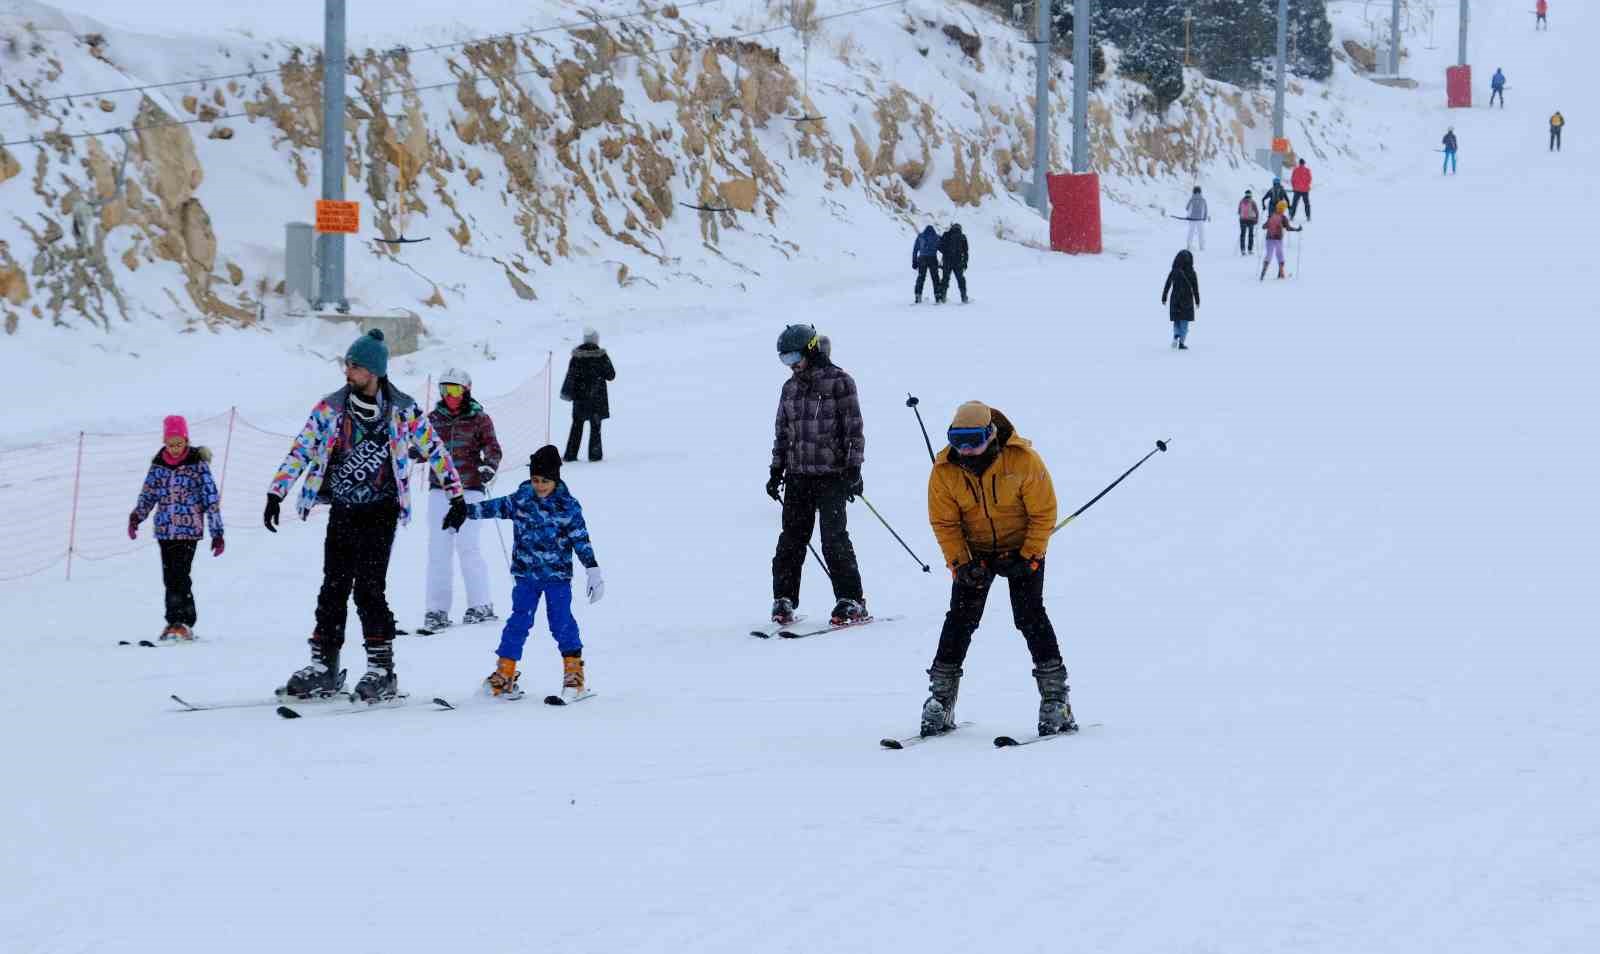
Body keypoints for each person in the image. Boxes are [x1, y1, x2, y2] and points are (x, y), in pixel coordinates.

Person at [265, 329, 465, 703]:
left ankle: (381, 668)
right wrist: (277, 491)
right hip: (343, 509)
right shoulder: (331, 408)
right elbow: (301, 448)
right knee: (333, 587)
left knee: (369, 589)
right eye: (347, 364)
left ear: (372, 371)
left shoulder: (402, 409)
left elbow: (434, 449)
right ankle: (324, 664)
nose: (347, 371)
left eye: (354, 366)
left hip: (381, 510)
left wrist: (455, 494)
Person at [921, 401, 1074, 739]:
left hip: (1021, 548)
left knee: (1030, 616)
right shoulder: (944, 470)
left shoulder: (1023, 461)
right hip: (974, 552)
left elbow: (1043, 512)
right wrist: (961, 563)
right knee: (960, 620)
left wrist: (1029, 556)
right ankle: (940, 698)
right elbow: (944, 522)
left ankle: (1056, 700)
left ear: (991, 435)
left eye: (973, 439)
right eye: (957, 440)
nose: (966, 449)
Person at [445, 445, 603, 703]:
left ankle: (574, 676)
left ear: (556, 479)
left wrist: (592, 568)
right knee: (518, 623)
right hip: (526, 577)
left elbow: (581, 539)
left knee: (561, 622)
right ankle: (504, 674)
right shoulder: (522, 498)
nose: (539, 486)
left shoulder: (567, 506)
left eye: (545, 481)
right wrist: (464, 511)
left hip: (557, 578)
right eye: (535, 480)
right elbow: (495, 507)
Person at [767, 323, 867, 627]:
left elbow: (854, 430)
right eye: (784, 360)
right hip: (798, 475)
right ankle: (784, 599)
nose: (791, 366)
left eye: (794, 357)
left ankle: (850, 599)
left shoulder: (840, 382)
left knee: (834, 539)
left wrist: (854, 468)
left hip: (832, 475)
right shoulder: (790, 388)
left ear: (811, 349)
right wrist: (776, 470)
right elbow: (782, 432)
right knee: (791, 540)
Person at [420, 367, 503, 633]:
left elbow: (493, 448)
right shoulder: (434, 418)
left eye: (455, 390)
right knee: (438, 551)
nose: (450, 395)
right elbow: (421, 445)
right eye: (445, 390)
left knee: (468, 546)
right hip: (440, 490)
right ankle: (437, 610)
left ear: (466, 390)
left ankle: (481, 604)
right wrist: (415, 450)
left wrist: (488, 467)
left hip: (470, 488)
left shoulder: (479, 418)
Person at [128, 415, 224, 641]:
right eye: (170, 444)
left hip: (189, 530)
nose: (174, 448)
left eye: (179, 443)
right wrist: (136, 517)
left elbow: (211, 498)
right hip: (165, 530)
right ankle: (174, 622)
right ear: (164, 442)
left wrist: (217, 533)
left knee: (180, 575)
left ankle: (182, 622)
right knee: (169, 577)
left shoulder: (197, 464)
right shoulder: (158, 465)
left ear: (186, 440)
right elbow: (148, 495)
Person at [560, 327, 615, 462]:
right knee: (595, 428)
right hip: (597, 399)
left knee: (576, 427)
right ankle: (595, 456)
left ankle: (570, 455)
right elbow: (611, 375)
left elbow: (570, 376)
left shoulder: (577, 357)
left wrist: (567, 392)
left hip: (580, 399)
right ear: (596, 340)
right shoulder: (601, 356)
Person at [1162, 250, 1200, 350]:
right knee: (1184, 322)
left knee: (1177, 320)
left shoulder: (1174, 271)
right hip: (1186, 299)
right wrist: (1197, 300)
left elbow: (1168, 284)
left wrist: (1164, 297)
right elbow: (1195, 287)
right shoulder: (1191, 272)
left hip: (1175, 299)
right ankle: (1182, 343)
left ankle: (1176, 335)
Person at [1260, 199, 1302, 281]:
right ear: (1283, 209)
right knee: (1280, 255)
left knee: (1269, 255)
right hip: (1278, 239)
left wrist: (1268, 225)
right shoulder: (1283, 217)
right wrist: (1297, 229)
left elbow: (1264, 226)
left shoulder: (1272, 215)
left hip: (1269, 238)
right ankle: (1281, 274)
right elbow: (1288, 228)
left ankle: (1263, 273)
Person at [936, 223, 969, 304]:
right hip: (958, 262)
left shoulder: (946, 235)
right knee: (960, 279)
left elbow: (939, 246)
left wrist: (945, 252)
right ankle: (964, 297)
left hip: (947, 261)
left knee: (945, 279)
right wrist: (965, 262)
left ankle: (943, 297)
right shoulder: (963, 237)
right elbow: (965, 252)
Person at [912, 225, 940, 304]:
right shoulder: (936, 237)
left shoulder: (920, 236)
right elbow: (942, 248)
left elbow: (915, 250)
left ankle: (918, 295)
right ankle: (938, 295)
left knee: (921, 277)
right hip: (933, 259)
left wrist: (914, 262)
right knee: (935, 278)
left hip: (922, 259)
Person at [1184, 186, 1208, 251]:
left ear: (1193, 191)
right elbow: (1205, 210)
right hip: (1200, 219)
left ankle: (1188, 246)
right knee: (1201, 233)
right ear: (1200, 192)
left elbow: (1187, 208)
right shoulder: (1203, 200)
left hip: (1192, 219)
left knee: (1191, 233)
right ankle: (1202, 247)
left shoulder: (1192, 199)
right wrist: (1204, 218)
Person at [1237, 189, 1259, 255]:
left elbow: (1239, 211)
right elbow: (1256, 211)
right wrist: (1256, 219)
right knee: (1251, 235)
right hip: (1251, 220)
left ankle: (1243, 250)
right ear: (1251, 194)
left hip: (1242, 219)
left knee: (1243, 235)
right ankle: (1250, 250)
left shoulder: (1241, 201)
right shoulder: (1252, 202)